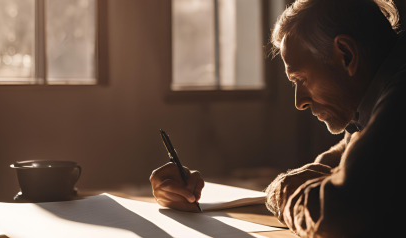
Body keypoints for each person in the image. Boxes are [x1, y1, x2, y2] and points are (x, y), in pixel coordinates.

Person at [150, 0, 406, 237]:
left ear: (346, 55)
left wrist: (280, 190)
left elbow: (337, 216)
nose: (300, 102)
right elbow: (341, 159)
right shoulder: (370, 106)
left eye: (301, 80)